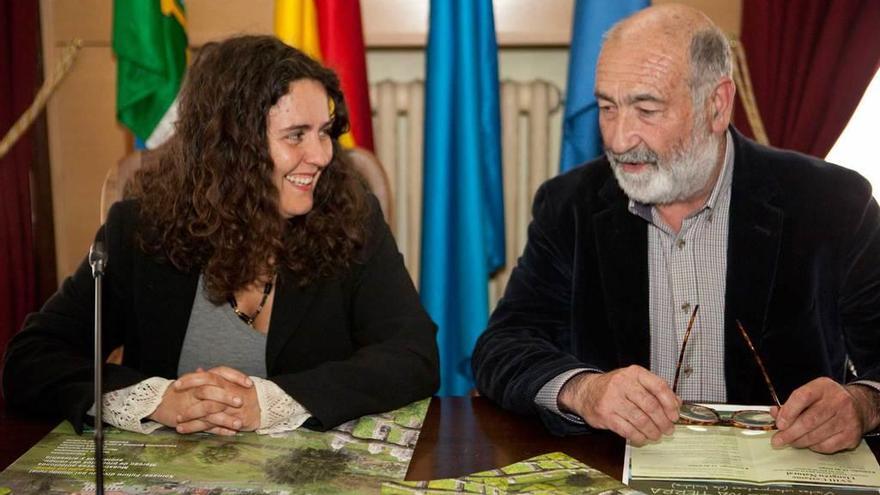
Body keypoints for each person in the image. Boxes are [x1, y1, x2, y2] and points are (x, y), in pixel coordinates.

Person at [472, 4, 880, 454]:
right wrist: (585, 390)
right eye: (607, 107)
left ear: (717, 105)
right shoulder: (570, 204)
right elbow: (502, 347)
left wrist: (863, 404)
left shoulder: (832, 204)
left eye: (646, 109)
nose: (619, 138)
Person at [2, 35, 439, 436]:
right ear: (233, 148)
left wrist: (271, 402)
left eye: (324, 133)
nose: (322, 155)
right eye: (296, 136)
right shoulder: (140, 230)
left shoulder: (350, 218)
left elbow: (414, 355)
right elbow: (31, 359)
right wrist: (156, 400)